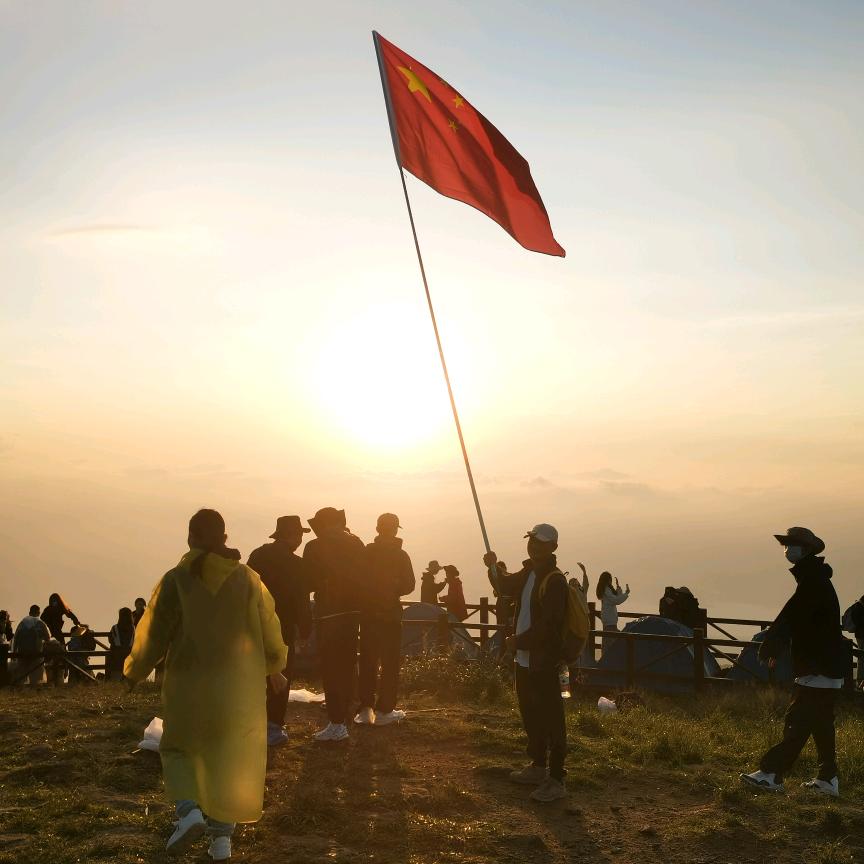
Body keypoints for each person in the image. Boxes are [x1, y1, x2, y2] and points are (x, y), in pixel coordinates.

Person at [124, 508, 288, 860]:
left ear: (191, 537)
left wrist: (134, 671)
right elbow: (268, 625)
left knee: (180, 749)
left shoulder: (176, 579)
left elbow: (153, 633)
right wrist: (275, 666)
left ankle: (189, 812)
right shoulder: (246, 579)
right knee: (226, 758)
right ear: (224, 538)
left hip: (188, 685)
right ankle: (221, 841)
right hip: (236, 688)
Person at [741, 527, 850, 798]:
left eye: (792, 546)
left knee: (798, 721)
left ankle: (771, 774)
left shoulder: (812, 581)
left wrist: (773, 646)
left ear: (805, 550)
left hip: (818, 667)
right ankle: (828, 779)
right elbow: (795, 618)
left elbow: (791, 618)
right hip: (826, 666)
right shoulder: (815, 579)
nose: (787, 551)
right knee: (821, 724)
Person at [483, 523, 569, 803]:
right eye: (532, 540)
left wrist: (519, 642)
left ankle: (556, 779)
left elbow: (549, 626)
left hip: (543, 662)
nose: (534, 545)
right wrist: (493, 567)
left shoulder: (554, 580)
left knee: (552, 716)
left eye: (541, 542)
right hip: (526, 661)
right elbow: (504, 585)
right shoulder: (530, 571)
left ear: (553, 547)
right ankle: (537, 766)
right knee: (531, 713)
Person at [247, 515, 314, 747]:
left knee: (256, 673)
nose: (300, 540)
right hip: (283, 626)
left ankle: (252, 723)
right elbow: (302, 601)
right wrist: (305, 630)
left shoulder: (257, 555)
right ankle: (273, 726)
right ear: (292, 536)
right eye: (299, 535)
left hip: (255, 623)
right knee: (281, 675)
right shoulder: (297, 565)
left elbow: (246, 588)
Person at [303, 507, 366, 743]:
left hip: (328, 614)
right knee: (349, 662)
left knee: (330, 667)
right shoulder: (357, 543)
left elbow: (307, 580)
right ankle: (348, 714)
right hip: (353, 613)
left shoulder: (314, 547)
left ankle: (336, 722)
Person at [355, 513, 415, 727]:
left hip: (369, 615)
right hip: (391, 615)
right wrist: (393, 587)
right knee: (390, 663)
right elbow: (410, 585)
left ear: (378, 527)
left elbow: (358, 579)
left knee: (368, 660)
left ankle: (365, 707)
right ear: (396, 529)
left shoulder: (367, 552)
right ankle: (385, 709)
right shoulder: (401, 555)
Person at [12, 605, 51, 685]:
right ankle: (34, 692)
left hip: (22, 653)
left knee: (22, 675)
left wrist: (14, 652)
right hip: (36, 653)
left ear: (29, 612)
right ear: (38, 613)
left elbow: (15, 638)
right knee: (36, 676)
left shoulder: (22, 623)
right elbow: (48, 638)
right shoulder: (40, 623)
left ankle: (21, 692)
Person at [597, 571, 629, 651]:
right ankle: (606, 661)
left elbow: (616, 597)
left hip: (609, 619)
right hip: (609, 620)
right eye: (610, 579)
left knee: (608, 642)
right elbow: (616, 600)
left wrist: (618, 587)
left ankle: (605, 661)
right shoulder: (606, 590)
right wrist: (626, 594)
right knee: (610, 644)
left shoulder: (606, 590)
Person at [107, 607, 135, 680]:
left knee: (116, 678)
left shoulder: (115, 628)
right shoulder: (133, 628)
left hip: (116, 655)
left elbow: (110, 640)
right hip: (129, 654)